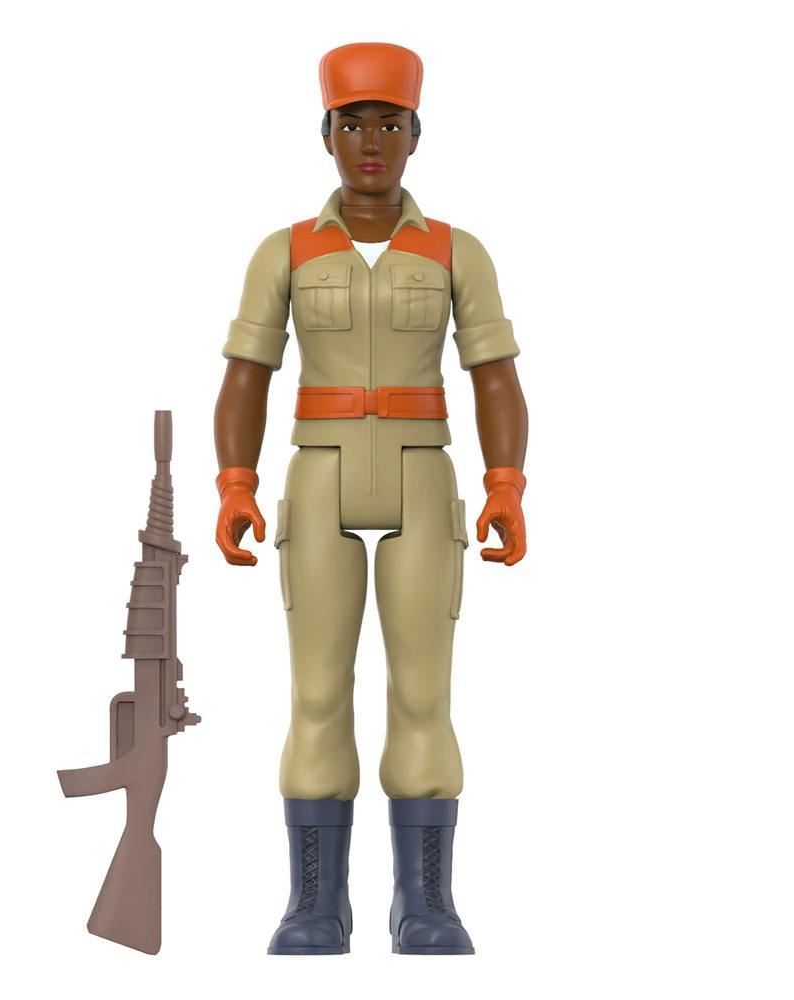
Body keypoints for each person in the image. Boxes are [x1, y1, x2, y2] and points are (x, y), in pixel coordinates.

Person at [214, 42, 528, 956]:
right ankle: (315, 903)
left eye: (390, 124)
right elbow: (247, 374)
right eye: (353, 125)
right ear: (326, 135)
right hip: (318, 471)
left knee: (424, 691)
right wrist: (235, 482)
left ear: (416, 135)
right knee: (317, 691)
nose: (372, 143)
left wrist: (505, 483)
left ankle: (425, 902)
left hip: (424, 471)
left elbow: (495, 375)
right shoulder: (286, 251)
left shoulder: (455, 252)